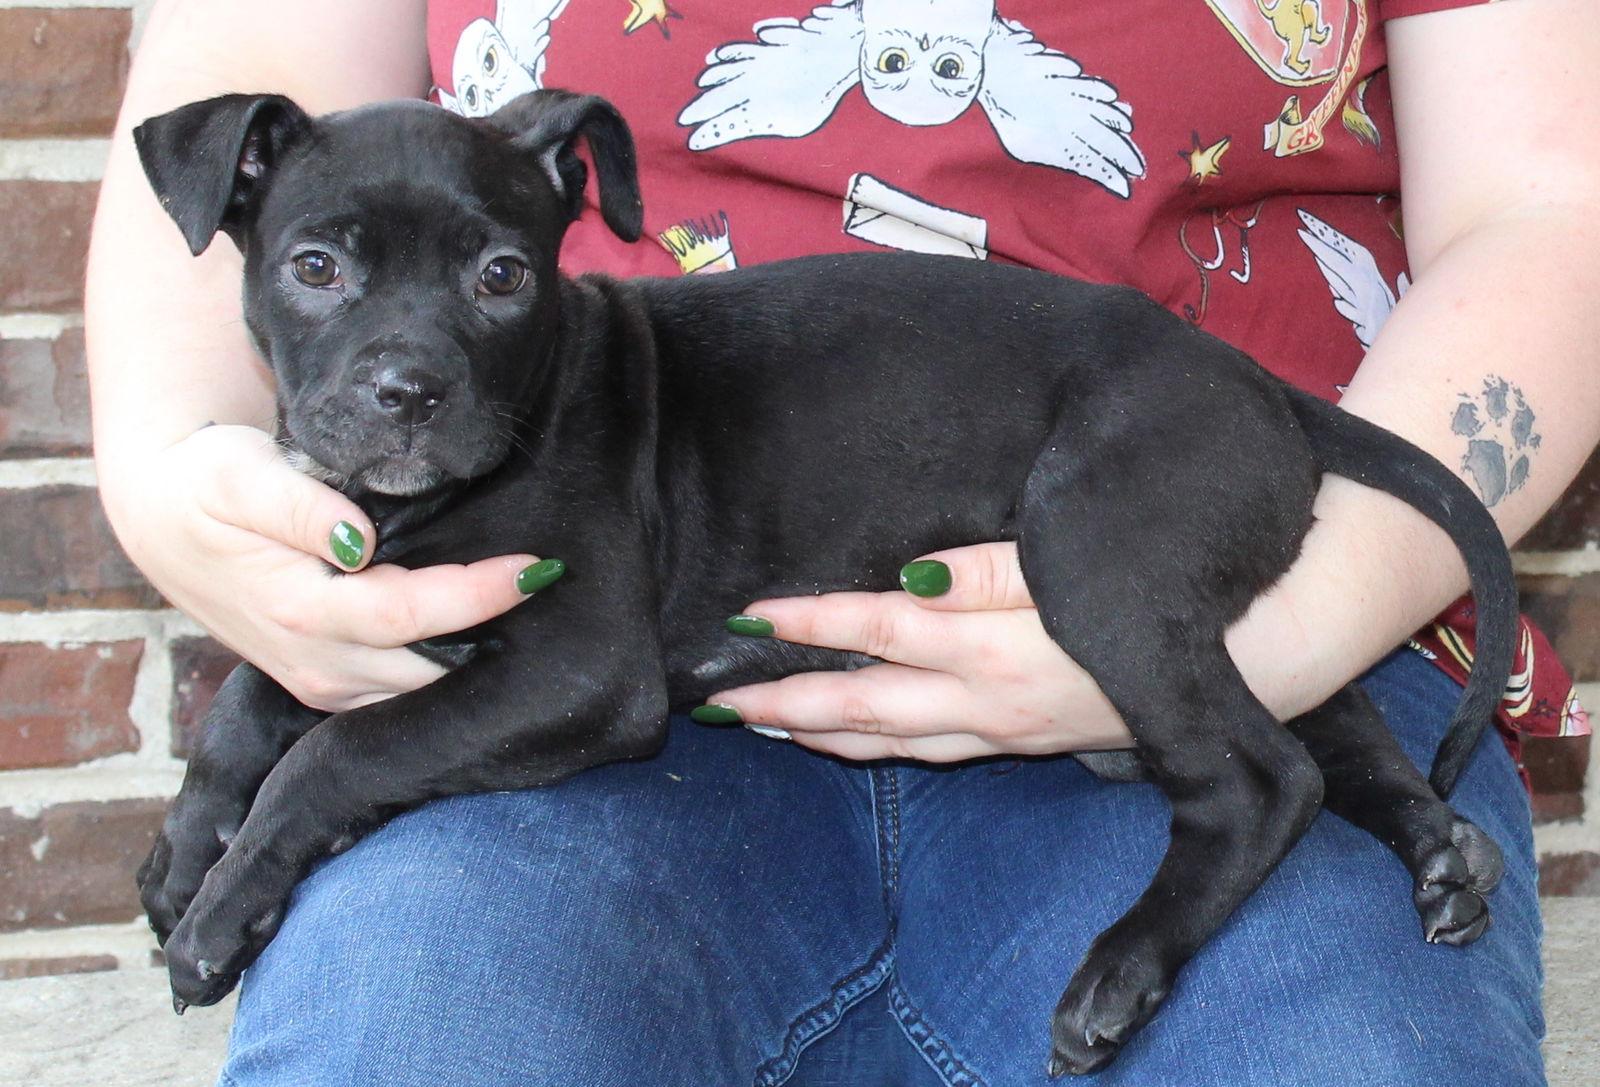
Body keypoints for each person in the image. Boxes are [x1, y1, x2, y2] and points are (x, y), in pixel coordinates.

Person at [86, 1, 1597, 1084]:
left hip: (1249, 556)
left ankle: (1322, 789)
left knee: (1340, 1053)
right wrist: (180, 483)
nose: (405, 357)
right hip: (652, 729)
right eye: (331, 270)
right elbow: (256, 68)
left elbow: (1558, 207)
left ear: (558, 214)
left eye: (487, 272)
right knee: (418, 1038)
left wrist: (1274, 635)